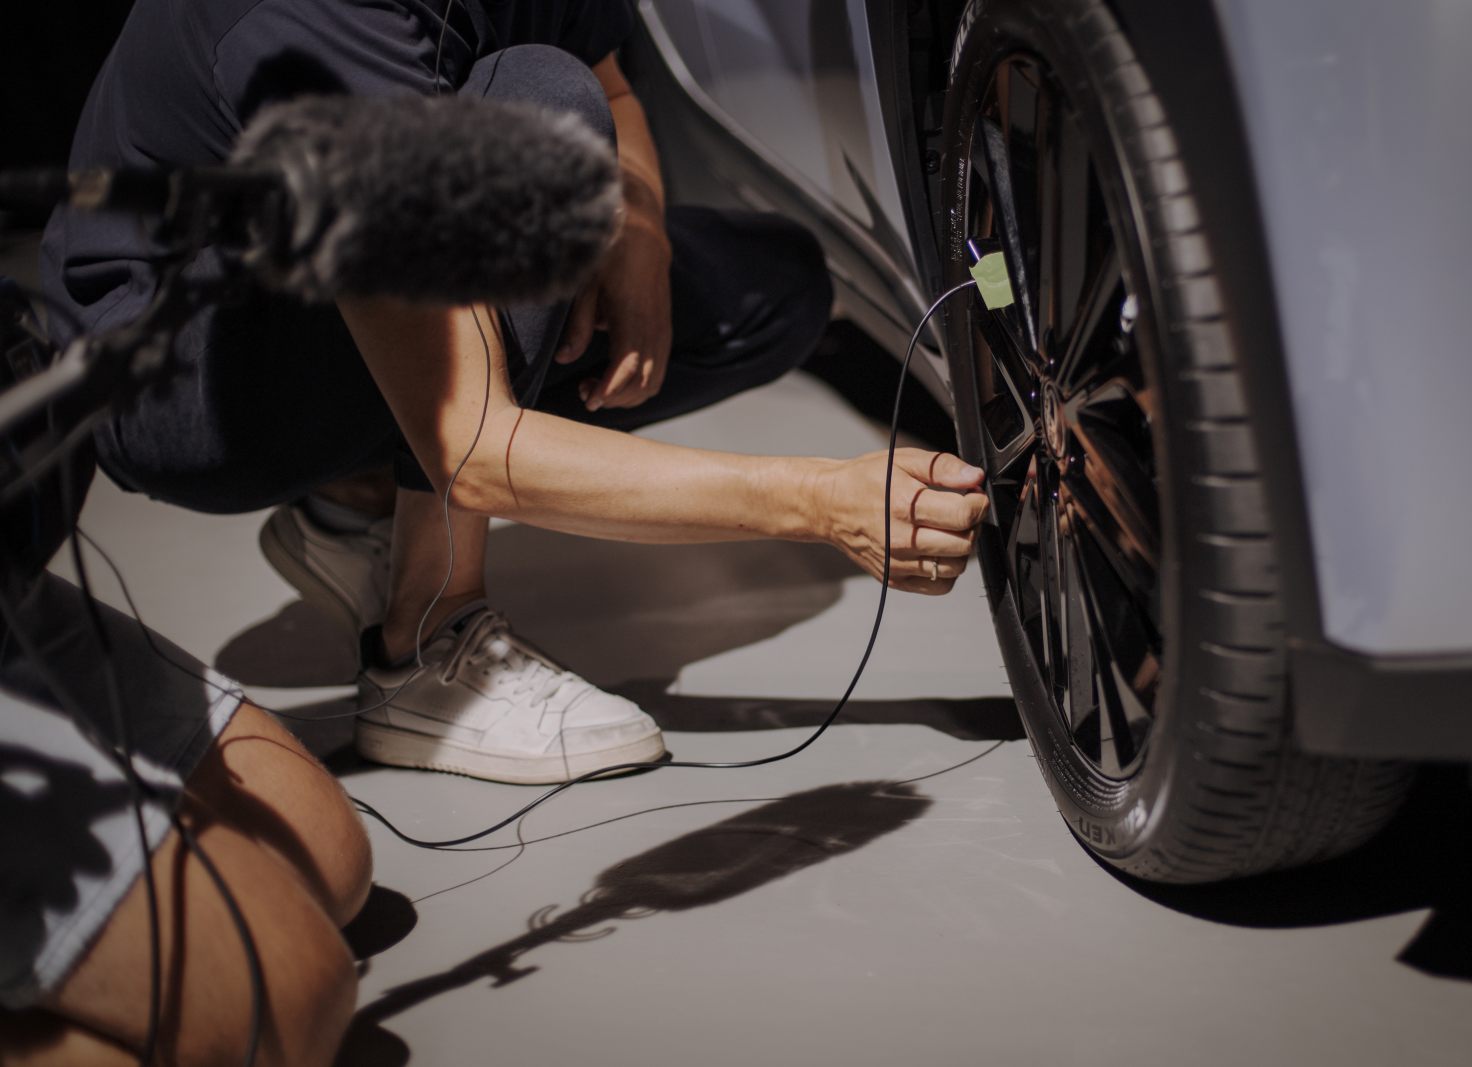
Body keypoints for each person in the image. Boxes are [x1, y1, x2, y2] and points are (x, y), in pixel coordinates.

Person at [5, 1, 988, 1062]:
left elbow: (611, 80)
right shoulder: (321, 29)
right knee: (535, 114)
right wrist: (824, 502)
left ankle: (356, 501)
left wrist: (641, 230)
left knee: (767, 283)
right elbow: (473, 445)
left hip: (341, 256)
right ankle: (428, 643)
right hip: (183, 370)